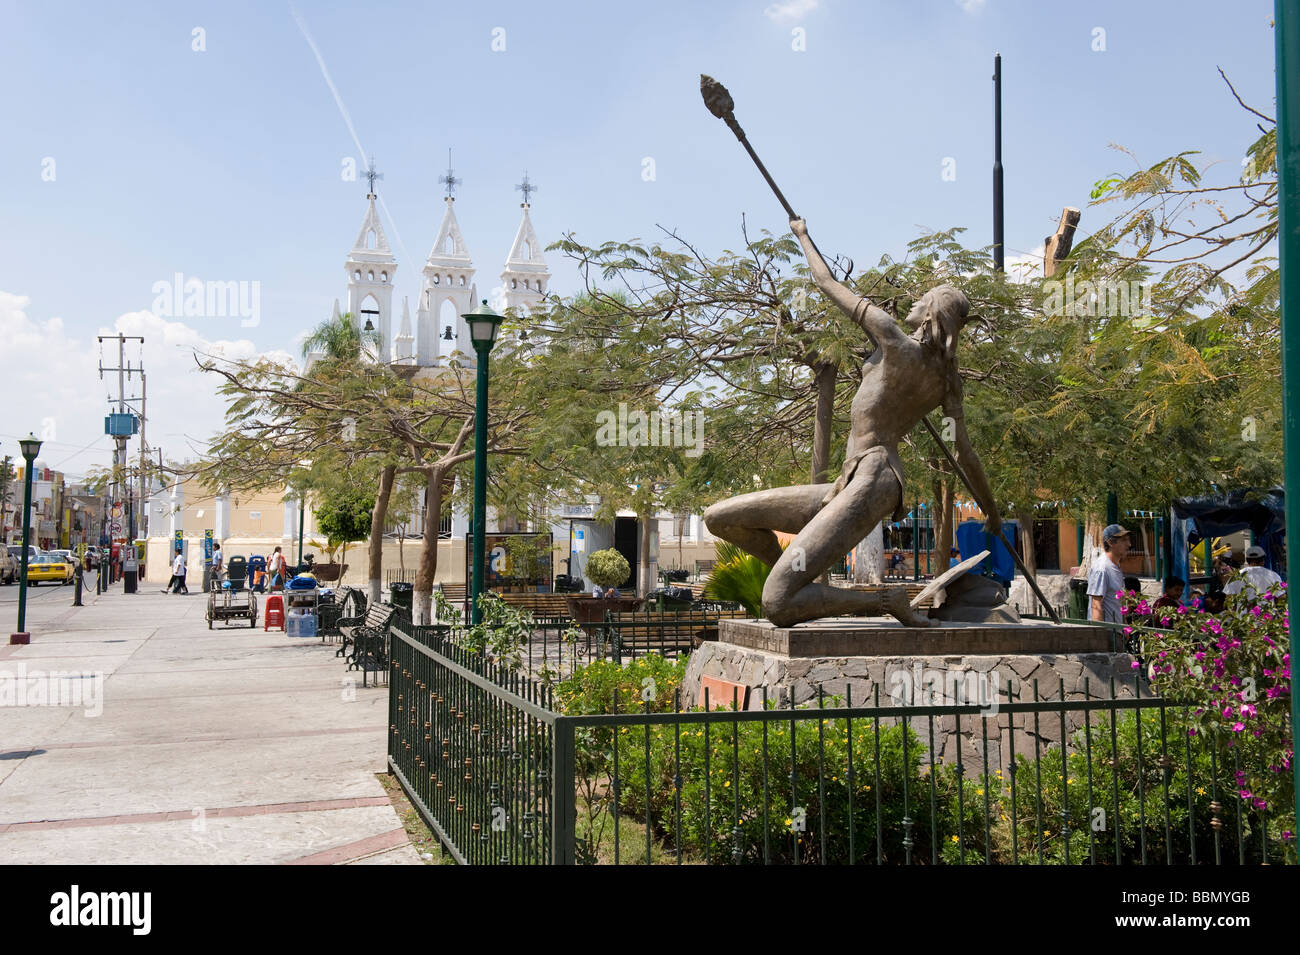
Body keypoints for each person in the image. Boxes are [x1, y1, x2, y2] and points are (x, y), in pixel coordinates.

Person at [704, 216, 998, 628]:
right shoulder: (945, 382)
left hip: (875, 480)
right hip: (848, 481)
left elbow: (826, 283)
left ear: (931, 311)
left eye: (922, 299)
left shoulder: (893, 340)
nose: (913, 303)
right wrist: (992, 511)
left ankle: (885, 602)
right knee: (719, 517)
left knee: (777, 604)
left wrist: (802, 235)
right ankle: (791, 573)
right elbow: (963, 454)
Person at [1087, 524, 1130, 625]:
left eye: (1128, 540)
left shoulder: (1115, 566)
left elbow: (1117, 603)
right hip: (1107, 631)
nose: (1129, 544)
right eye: (1124, 540)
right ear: (1110, 542)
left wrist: (1124, 626)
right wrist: (1099, 633)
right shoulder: (1102, 568)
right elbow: (1096, 604)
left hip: (1117, 630)